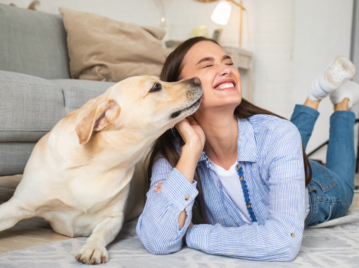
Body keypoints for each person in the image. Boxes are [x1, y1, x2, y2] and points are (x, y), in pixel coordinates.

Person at [136, 36, 358, 261]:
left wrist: (192, 233)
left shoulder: (276, 133)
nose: (226, 69)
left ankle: (342, 103)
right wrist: (192, 149)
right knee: (284, 137)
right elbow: (159, 240)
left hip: (315, 188)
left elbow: (284, 241)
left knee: (344, 186)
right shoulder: (173, 155)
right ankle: (316, 95)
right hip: (275, 158)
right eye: (208, 64)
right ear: (179, 90)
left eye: (228, 62)